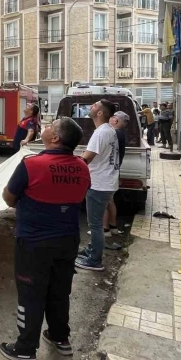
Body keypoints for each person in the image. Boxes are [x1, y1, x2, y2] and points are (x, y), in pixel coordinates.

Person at [0, 117, 91, 360]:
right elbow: (79, 195)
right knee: (60, 291)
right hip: (68, 241)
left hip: (33, 243)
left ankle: (26, 350)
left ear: (55, 138)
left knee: (30, 294)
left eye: (52, 125)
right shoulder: (82, 167)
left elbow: (8, 198)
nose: (47, 126)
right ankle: (60, 338)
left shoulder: (32, 165)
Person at [76, 99, 119, 271]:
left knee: (95, 225)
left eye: (94, 106)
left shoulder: (101, 133)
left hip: (99, 184)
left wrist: (70, 163)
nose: (91, 107)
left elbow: (87, 158)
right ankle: (92, 250)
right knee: (95, 224)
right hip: (106, 182)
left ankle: (95, 260)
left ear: (100, 113)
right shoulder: (108, 131)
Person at [104, 111, 128, 237]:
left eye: (111, 118)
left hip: (108, 171)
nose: (109, 120)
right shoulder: (120, 134)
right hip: (114, 170)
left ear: (116, 121)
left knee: (103, 201)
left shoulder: (114, 133)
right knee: (110, 200)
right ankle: (112, 227)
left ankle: (105, 230)